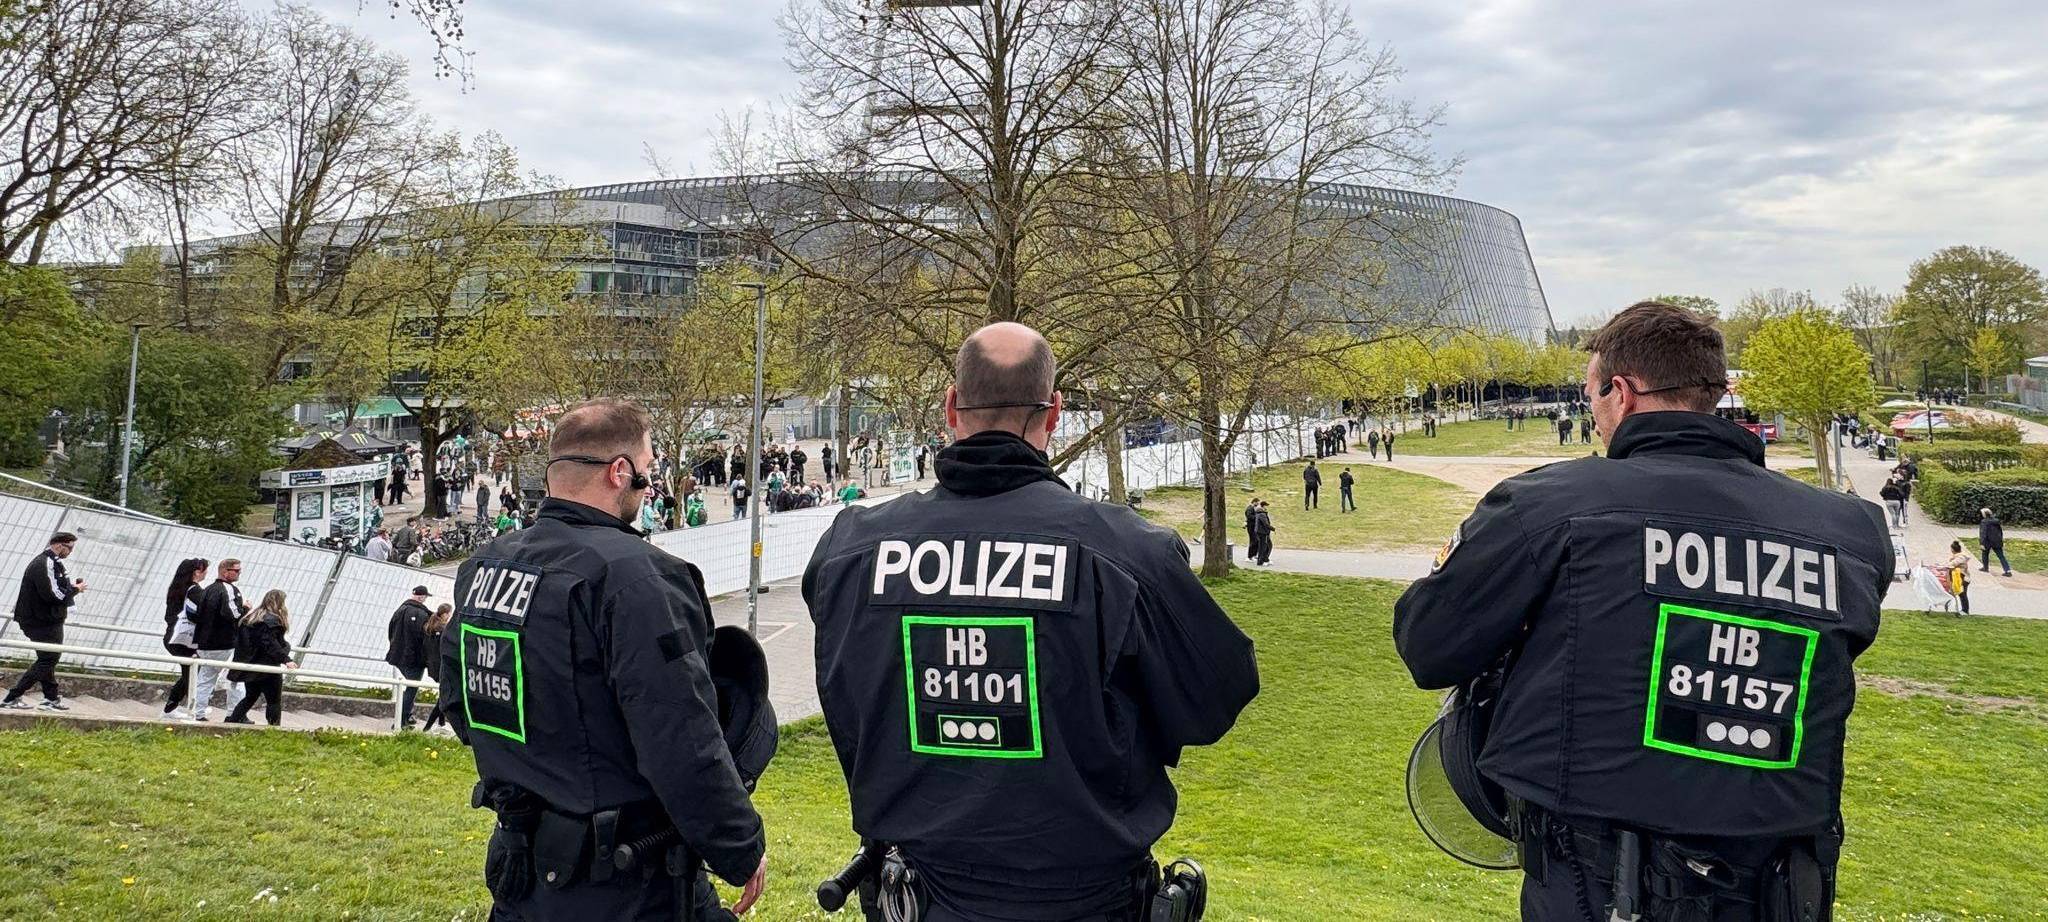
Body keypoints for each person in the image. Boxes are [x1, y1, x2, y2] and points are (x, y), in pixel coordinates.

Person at [1393, 301, 1890, 920]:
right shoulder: (1849, 532)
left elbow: (1429, 643)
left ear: (1621, 394)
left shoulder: (1547, 507)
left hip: (1594, 880)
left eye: (1591, 397)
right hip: (1782, 883)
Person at [805, 322, 1259, 921]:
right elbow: (1215, 695)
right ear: (1055, 414)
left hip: (917, 894)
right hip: (1075, 900)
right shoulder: (1125, 555)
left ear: (950, 407)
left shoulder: (851, 552)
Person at [439, 398, 766, 921]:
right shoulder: (637, 578)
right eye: (648, 471)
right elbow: (680, 737)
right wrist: (740, 845)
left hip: (522, 866)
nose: (650, 485)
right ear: (620, 472)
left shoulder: (485, 565)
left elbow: (460, 704)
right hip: (626, 881)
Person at [2, 532, 85, 711]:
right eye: (69, 547)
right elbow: (54, 595)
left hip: (45, 619)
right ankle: (12, 697)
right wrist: (76, 589)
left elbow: (58, 589)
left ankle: (51, 699)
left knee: (47, 658)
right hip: (41, 621)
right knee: (49, 659)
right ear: (58, 545)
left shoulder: (54, 563)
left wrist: (71, 589)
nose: (70, 552)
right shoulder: (45, 563)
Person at [225, 590, 298, 726]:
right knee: (274, 700)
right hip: (268, 667)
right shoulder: (274, 621)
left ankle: (232, 720)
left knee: (250, 696)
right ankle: (274, 727)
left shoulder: (251, 618)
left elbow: (244, 642)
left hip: (251, 665)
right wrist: (286, 658)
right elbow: (270, 643)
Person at [188, 558, 247, 721]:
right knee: (237, 678)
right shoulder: (228, 589)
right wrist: (246, 609)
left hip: (204, 642)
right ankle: (235, 714)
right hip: (224, 642)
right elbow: (233, 614)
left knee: (205, 679)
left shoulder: (207, 589)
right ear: (225, 571)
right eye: (236, 571)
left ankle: (198, 713)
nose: (239, 574)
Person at [161, 558, 208, 718]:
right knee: (193, 674)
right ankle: (194, 710)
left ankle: (170, 708)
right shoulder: (194, 591)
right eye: (204, 570)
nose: (206, 573)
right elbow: (204, 612)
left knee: (189, 672)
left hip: (173, 637)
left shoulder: (177, 588)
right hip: (185, 640)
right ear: (197, 572)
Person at [385, 586, 433, 730]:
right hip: (413, 658)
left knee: (409, 685)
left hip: (397, 655)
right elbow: (423, 638)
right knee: (411, 688)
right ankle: (401, 721)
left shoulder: (400, 610)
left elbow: (391, 630)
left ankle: (408, 715)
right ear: (422, 597)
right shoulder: (422, 614)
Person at [420, 603, 453, 732]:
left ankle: (441, 724)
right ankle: (427, 728)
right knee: (443, 697)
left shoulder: (429, 627)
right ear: (445, 614)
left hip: (432, 666)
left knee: (442, 694)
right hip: (442, 667)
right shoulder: (444, 629)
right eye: (450, 613)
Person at [1978, 507, 2012, 576]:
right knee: (2001, 556)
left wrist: (1982, 543)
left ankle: (1985, 567)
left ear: (1984, 514)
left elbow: (1983, 533)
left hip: (1987, 541)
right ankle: (2007, 570)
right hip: (1997, 541)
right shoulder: (1996, 521)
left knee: (1985, 554)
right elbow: (2000, 531)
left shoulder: (1984, 522)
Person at [1947, 540, 1974, 614]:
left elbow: (1952, 564)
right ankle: (1964, 610)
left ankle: (1965, 610)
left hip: (1963, 578)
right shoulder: (1959, 556)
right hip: (1960, 577)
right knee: (1961, 593)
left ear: (1953, 549)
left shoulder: (1960, 557)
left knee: (1962, 594)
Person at [1251, 499, 1275, 565]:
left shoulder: (1260, 513)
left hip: (1261, 532)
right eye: (1265, 506)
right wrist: (1272, 528)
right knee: (1263, 547)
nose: (1266, 507)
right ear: (1263, 506)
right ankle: (1261, 561)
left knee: (1266, 546)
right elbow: (1266, 524)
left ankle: (1265, 559)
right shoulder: (1262, 514)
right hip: (1262, 532)